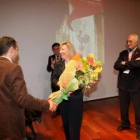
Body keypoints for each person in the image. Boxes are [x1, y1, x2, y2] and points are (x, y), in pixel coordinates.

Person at [0, 36, 57, 140]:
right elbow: (23, 99)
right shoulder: (13, 68)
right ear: (11, 49)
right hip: (11, 125)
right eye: (17, 50)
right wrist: (47, 104)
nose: (17, 53)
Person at [51, 42, 83, 140]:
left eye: (62, 49)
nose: (60, 52)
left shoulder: (78, 63)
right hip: (63, 99)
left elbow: (82, 80)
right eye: (60, 49)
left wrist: (77, 85)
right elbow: (53, 78)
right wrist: (59, 84)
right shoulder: (58, 64)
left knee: (75, 124)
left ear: (69, 51)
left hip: (76, 98)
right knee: (66, 124)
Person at [114, 34, 140, 139]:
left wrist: (124, 63)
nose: (128, 43)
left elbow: (138, 65)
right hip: (123, 85)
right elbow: (116, 65)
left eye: (131, 41)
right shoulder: (122, 53)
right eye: (127, 41)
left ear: (136, 42)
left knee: (138, 109)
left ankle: (139, 128)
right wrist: (131, 63)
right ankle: (125, 124)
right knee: (123, 107)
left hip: (136, 86)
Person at [47, 43, 61, 117]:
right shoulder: (51, 57)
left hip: (63, 80)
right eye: (54, 49)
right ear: (52, 50)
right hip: (54, 80)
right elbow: (48, 69)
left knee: (64, 95)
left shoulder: (64, 56)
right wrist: (52, 65)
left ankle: (63, 110)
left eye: (57, 48)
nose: (56, 50)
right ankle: (57, 111)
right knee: (55, 96)